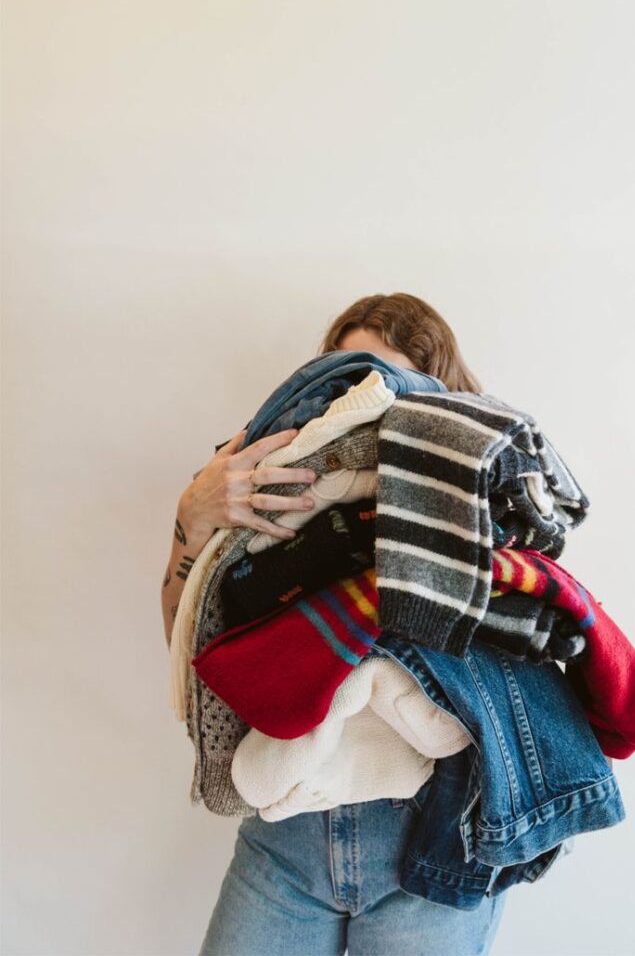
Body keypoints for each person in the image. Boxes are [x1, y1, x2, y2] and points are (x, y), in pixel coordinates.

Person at [161, 293, 508, 955]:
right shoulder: (265, 482)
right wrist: (194, 515)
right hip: (286, 836)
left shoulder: (480, 486)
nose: (360, 403)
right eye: (344, 379)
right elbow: (185, 635)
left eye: (384, 383)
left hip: (431, 834)